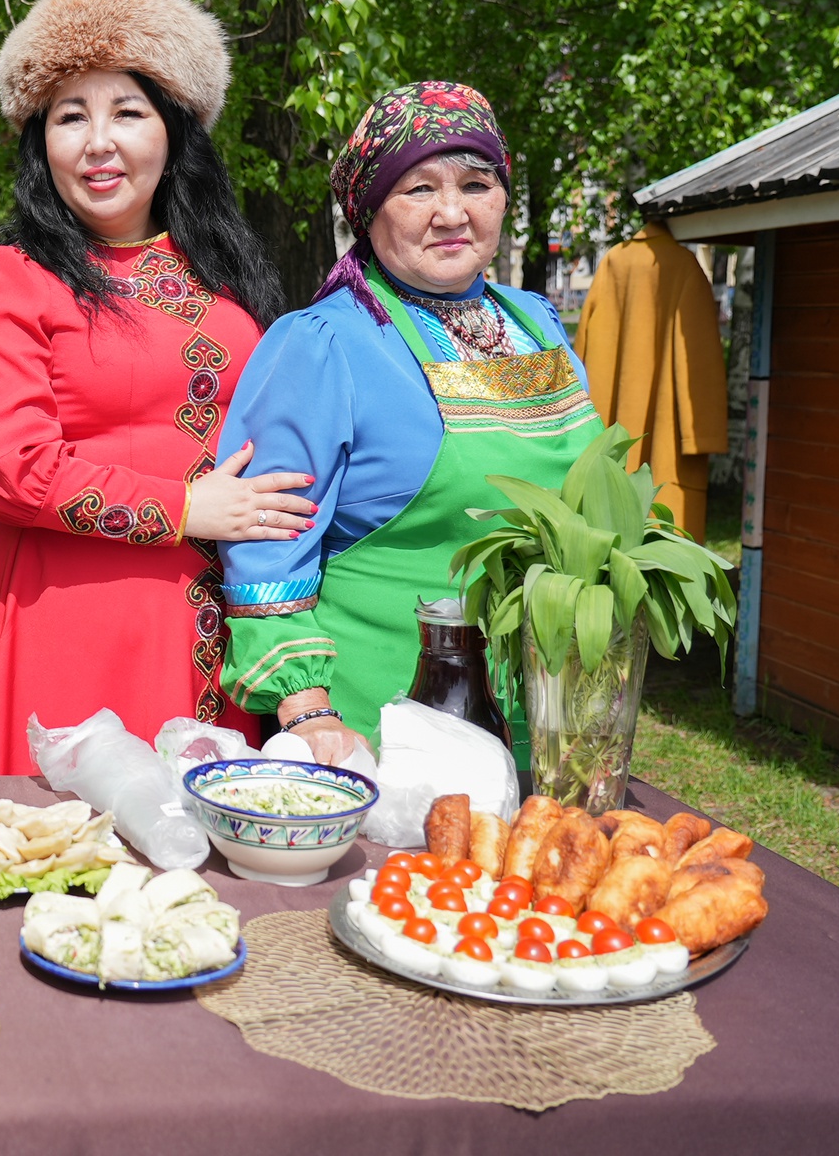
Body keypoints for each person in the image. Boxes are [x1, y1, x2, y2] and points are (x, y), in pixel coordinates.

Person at [0, 0, 307, 774]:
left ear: (175, 131)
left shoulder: (225, 270)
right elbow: (12, 472)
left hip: (215, 615)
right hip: (72, 615)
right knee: (72, 860)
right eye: (70, 116)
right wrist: (186, 508)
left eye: (127, 112)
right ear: (41, 142)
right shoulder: (15, 273)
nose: (97, 141)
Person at [218, 81, 600, 763]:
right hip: (385, 729)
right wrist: (308, 711)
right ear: (368, 210)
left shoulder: (536, 322)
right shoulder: (322, 344)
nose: (451, 213)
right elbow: (265, 544)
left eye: (476, 184)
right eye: (418, 189)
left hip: (541, 714)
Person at [574, 220, 728, 541]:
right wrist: (706, 435)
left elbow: (582, 351)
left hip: (605, 431)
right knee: (664, 541)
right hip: (667, 438)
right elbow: (699, 360)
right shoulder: (684, 266)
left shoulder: (613, 261)